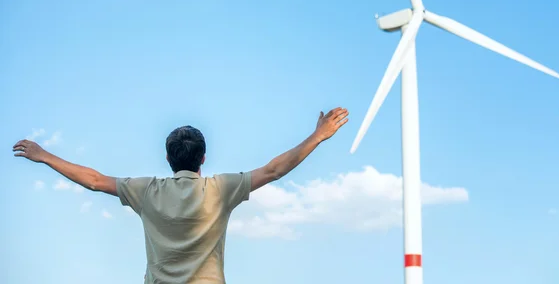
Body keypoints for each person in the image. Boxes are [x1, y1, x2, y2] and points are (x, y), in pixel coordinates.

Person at [13, 107, 349, 283]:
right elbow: (274, 170)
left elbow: (95, 180)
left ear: (168, 158)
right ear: (203, 157)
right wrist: (317, 136)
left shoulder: (146, 191)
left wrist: (45, 156)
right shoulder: (221, 189)